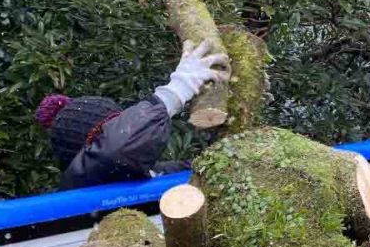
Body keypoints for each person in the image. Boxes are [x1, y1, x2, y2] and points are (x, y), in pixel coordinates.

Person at [35, 41, 228, 189]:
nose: (126, 129)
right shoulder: (79, 181)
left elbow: (194, 169)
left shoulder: (139, 173)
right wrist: (177, 90)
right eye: (113, 127)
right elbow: (116, 147)